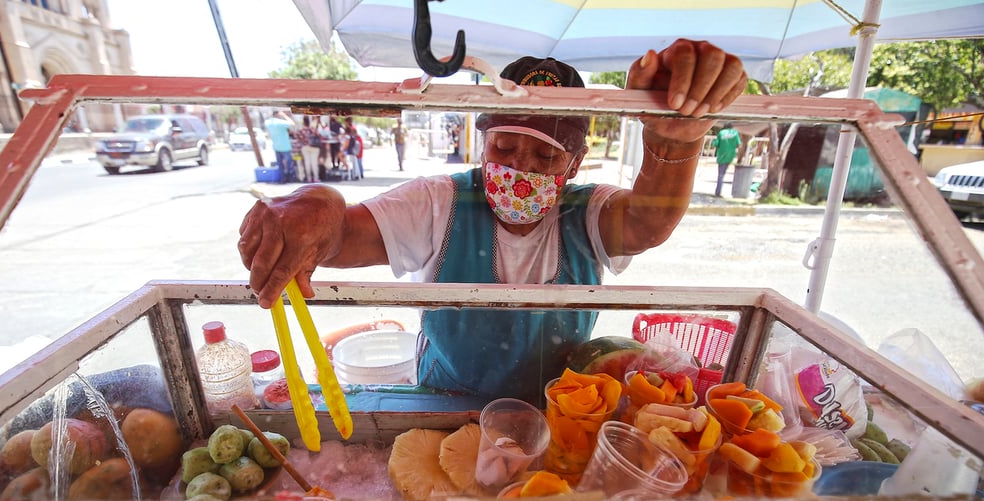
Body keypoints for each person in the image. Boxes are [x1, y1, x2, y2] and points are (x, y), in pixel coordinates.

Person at [239, 39, 747, 403]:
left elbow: (647, 224)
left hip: (560, 413)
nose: (520, 168)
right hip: (443, 405)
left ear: (575, 163)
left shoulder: (588, 213)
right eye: (504, 147)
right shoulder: (440, 203)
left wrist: (675, 142)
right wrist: (318, 204)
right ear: (483, 143)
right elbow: (344, 233)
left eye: (545, 157)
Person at [264, 111, 296, 183]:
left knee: (280, 164)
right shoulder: (281, 122)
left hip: (276, 146)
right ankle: (291, 179)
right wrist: (284, 115)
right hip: (285, 146)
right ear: (278, 115)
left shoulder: (268, 123)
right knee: (289, 164)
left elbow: (267, 121)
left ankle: (282, 179)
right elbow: (293, 124)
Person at [712, 122, 742, 198]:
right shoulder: (735, 133)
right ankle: (720, 191)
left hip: (722, 155)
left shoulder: (721, 133)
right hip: (731, 155)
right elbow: (739, 144)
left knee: (720, 175)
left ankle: (718, 192)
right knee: (723, 173)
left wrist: (713, 142)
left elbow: (716, 144)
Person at [299, 116, 321, 184]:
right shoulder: (312, 129)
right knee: (314, 163)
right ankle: (316, 178)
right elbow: (319, 135)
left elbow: (297, 138)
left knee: (307, 163)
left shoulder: (300, 130)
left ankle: (309, 178)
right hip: (314, 147)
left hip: (305, 147)